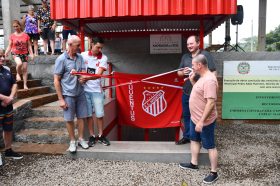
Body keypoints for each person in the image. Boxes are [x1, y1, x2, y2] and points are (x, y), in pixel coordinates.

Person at [179, 54, 219, 184]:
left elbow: (211, 103)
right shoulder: (202, 77)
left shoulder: (210, 80)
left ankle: (214, 173)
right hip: (195, 118)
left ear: (200, 65)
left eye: (193, 65)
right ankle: (193, 163)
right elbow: (200, 92)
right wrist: (192, 81)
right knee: (194, 139)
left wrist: (202, 121)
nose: (192, 68)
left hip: (205, 121)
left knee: (210, 146)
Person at [176, 35, 216, 145]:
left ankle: (202, 138)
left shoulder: (205, 55)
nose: (189, 46)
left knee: (202, 115)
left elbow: (213, 72)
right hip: (187, 91)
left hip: (201, 93)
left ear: (198, 43)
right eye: (188, 44)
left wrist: (212, 86)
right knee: (187, 115)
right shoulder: (185, 57)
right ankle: (188, 136)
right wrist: (182, 72)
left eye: (191, 43)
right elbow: (178, 72)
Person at [53, 35, 89, 153]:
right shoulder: (61, 59)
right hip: (68, 94)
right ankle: (72, 141)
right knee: (69, 119)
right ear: (69, 45)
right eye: (77, 45)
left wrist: (83, 78)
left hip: (80, 92)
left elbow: (83, 72)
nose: (79, 47)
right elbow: (56, 80)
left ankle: (81, 139)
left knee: (82, 117)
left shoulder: (80, 58)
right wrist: (60, 99)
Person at [80, 37, 110, 147]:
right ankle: (92, 136)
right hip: (85, 90)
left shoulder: (103, 58)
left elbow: (98, 75)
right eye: (98, 47)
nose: (99, 50)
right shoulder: (83, 55)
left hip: (97, 90)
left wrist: (86, 78)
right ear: (91, 44)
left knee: (99, 114)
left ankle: (101, 135)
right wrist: (81, 77)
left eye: (101, 48)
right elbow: (79, 69)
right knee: (88, 115)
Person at [0, 48, 23, 160]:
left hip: (7, 107)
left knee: (8, 129)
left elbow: (14, 84)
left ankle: (8, 150)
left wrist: (10, 98)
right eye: (0, 56)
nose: (3, 58)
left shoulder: (6, 69)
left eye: (3, 56)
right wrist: (5, 98)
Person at [5, 20, 34, 90]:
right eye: (14, 26)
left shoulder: (25, 35)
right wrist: (6, 52)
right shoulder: (12, 36)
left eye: (16, 26)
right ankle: (18, 73)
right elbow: (10, 45)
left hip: (24, 53)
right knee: (19, 64)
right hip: (15, 53)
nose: (15, 28)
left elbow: (29, 46)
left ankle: (25, 84)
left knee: (24, 69)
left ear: (20, 26)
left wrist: (31, 54)